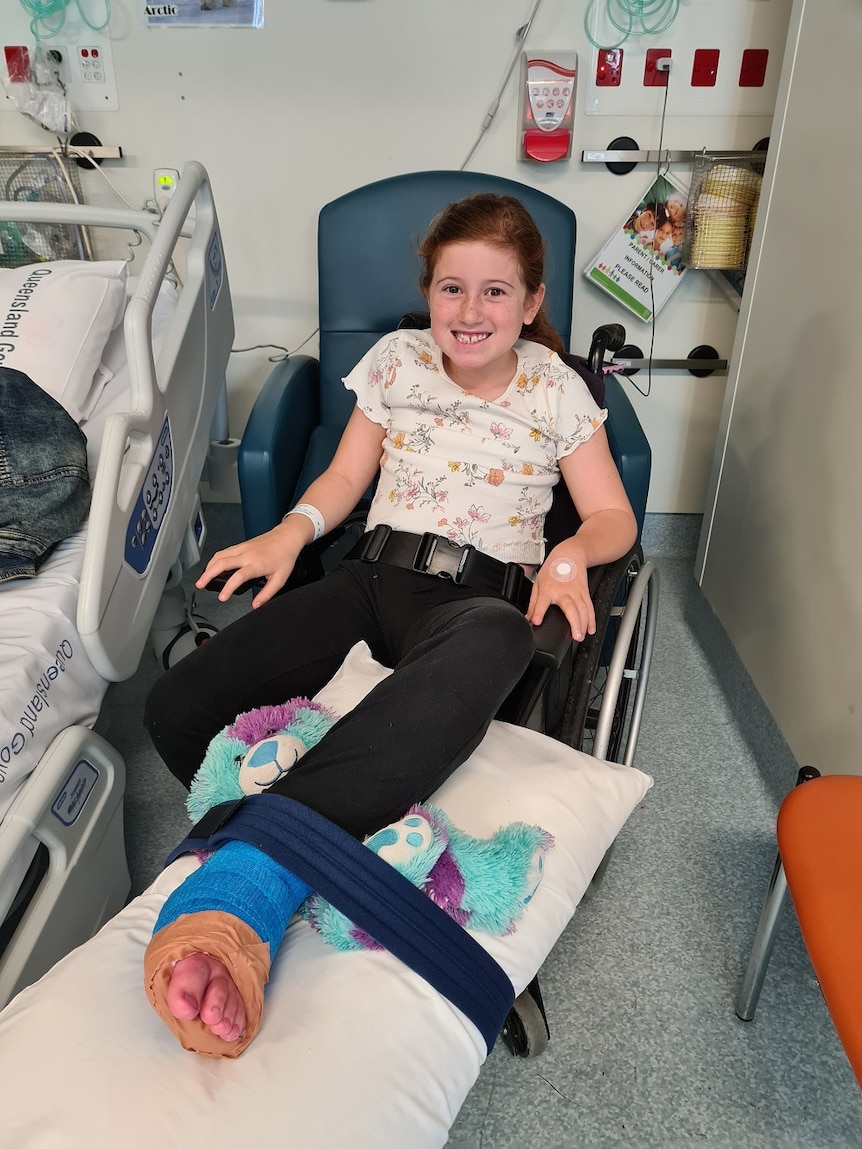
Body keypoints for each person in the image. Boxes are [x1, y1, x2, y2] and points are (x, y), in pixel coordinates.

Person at [142, 192, 637, 1056]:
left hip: (480, 600)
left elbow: (613, 521)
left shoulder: (555, 389)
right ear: (429, 292)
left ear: (529, 303)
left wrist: (566, 559)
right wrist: (287, 533)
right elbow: (342, 480)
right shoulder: (395, 362)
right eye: (453, 289)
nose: (470, 312)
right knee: (174, 708)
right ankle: (323, 833)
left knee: (501, 638)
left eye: (495, 293)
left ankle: (256, 877)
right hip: (371, 577)